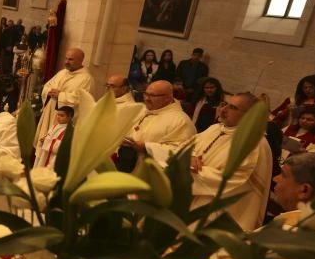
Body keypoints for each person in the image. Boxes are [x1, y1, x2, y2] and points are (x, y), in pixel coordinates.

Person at [189, 92, 273, 231]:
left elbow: (233, 180)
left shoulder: (254, 143)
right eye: (224, 104)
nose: (223, 110)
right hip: (192, 200)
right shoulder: (215, 128)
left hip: (218, 211)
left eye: (232, 107)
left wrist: (192, 169)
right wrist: (190, 157)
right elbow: (186, 147)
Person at [117, 80, 196, 171]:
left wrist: (146, 146)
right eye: (145, 94)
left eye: (153, 96)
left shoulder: (181, 120)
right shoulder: (145, 110)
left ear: (168, 98)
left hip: (152, 171)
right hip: (128, 162)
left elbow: (182, 152)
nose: (146, 98)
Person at [35, 48, 94, 147]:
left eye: (71, 59)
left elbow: (82, 100)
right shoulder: (62, 72)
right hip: (51, 112)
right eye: (66, 58)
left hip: (66, 120)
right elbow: (47, 86)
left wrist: (60, 95)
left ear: (81, 60)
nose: (67, 62)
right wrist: (50, 91)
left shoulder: (86, 78)